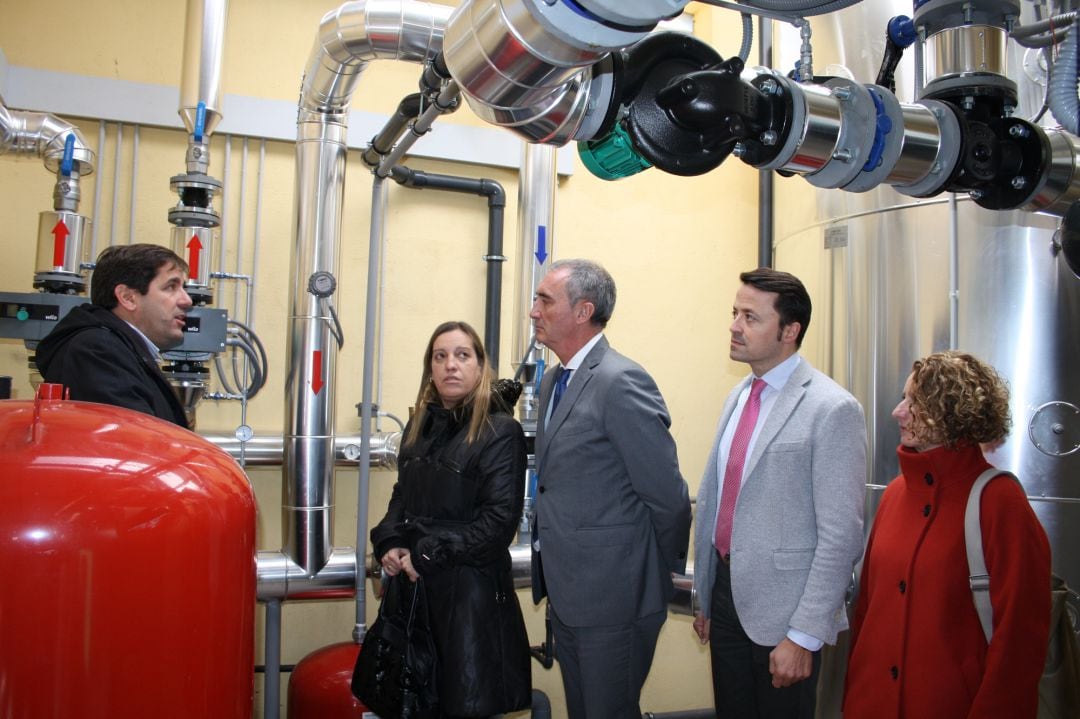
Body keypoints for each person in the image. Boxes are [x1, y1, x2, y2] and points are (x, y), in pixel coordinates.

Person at [692, 267, 866, 718]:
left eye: (750, 317)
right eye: (735, 313)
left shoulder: (832, 408)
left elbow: (841, 537)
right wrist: (707, 595)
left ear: (790, 331)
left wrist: (804, 635)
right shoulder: (740, 396)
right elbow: (718, 500)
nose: (734, 326)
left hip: (786, 617)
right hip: (728, 601)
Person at [843, 351, 1051, 719]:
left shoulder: (999, 501)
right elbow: (866, 613)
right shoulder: (894, 495)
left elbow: (1019, 640)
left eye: (914, 402)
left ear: (952, 413)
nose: (898, 411)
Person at [529, 258, 691, 718]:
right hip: (570, 595)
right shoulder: (555, 381)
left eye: (545, 300)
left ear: (582, 312)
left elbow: (668, 497)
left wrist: (653, 575)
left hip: (615, 600)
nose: (534, 311)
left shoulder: (620, 382)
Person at [370, 320, 531, 717]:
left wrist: (425, 553)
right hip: (414, 600)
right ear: (430, 368)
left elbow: (498, 524)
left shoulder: (500, 432)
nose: (450, 366)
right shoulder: (418, 427)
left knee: (461, 707)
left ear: (480, 367)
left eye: (462, 355)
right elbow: (402, 496)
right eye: (440, 357)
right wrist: (390, 542)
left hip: (468, 607)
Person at [35, 243, 192, 427]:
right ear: (127, 297)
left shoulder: (123, 350)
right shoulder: (97, 350)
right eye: (171, 287)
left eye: (183, 288)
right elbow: (133, 443)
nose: (187, 300)